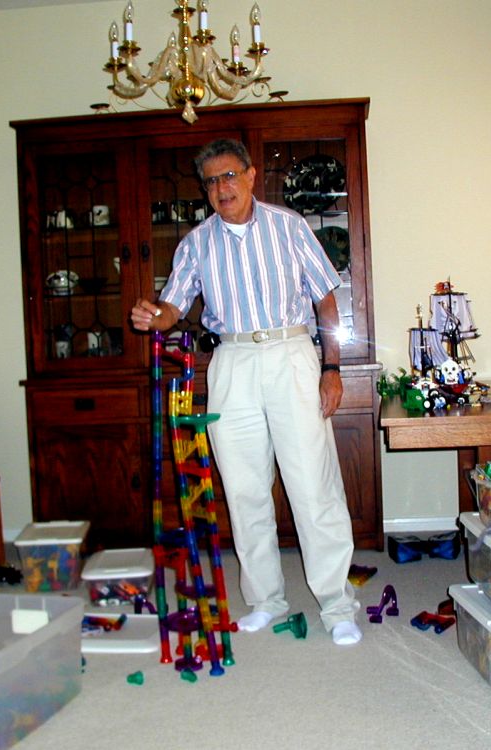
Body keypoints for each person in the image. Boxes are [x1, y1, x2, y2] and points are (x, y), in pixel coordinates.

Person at [130, 139, 361, 646]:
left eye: (230, 175)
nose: (222, 187)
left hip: (291, 354)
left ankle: (337, 603)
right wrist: (153, 316)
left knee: (313, 485)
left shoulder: (289, 226)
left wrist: (331, 367)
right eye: (211, 181)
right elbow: (173, 307)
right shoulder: (196, 243)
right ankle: (265, 599)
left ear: (252, 175)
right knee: (244, 488)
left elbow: (325, 299)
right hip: (232, 362)